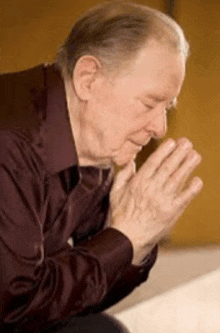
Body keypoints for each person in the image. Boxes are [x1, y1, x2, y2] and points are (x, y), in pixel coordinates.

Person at [0, 1, 203, 332]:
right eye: (150, 103)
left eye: (168, 106)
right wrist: (123, 238)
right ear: (88, 78)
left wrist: (134, 242)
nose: (160, 128)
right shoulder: (9, 143)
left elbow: (83, 295)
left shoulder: (95, 140)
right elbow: (13, 311)